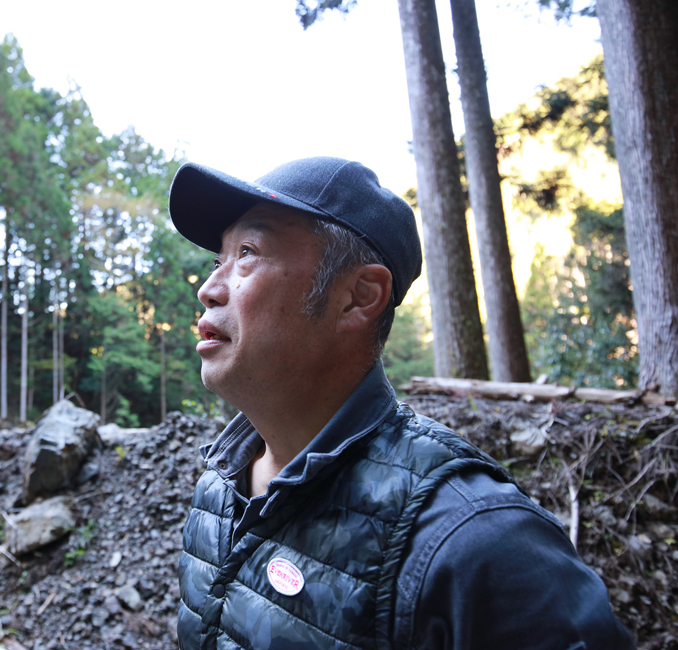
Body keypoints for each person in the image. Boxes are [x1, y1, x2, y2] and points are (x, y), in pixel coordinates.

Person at [167, 157, 633, 650]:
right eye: (219, 259)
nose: (209, 288)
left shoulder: (472, 539)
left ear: (358, 297)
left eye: (247, 252)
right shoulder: (218, 486)